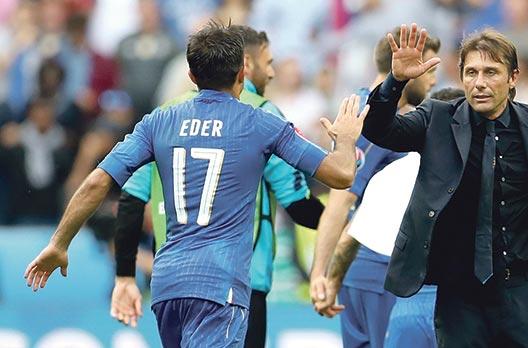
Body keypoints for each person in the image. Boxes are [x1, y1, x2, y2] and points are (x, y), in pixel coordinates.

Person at [24, 22, 367, 347]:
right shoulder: (261, 123)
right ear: (241, 74)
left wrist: (59, 242)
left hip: (168, 284)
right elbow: (340, 175)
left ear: (191, 75)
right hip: (220, 287)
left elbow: (98, 181)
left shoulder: (159, 121)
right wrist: (348, 141)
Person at [361, 24, 528, 347]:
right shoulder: (437, 118)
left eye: (491, 72)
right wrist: (394, 82)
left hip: (526, 289)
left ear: (513, 78)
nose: (479, 83)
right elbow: (379, 131)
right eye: (471, 72)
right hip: (460, 293)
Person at [109, 25, 325, 348]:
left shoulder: (165, 117)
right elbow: (298, 203)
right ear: (245, 66)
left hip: (172, 277)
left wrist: (124, 274)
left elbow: (131, 197)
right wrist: (344, 225)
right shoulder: (262, 117)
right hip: (237, 280)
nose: (273, 71)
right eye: (268, 61)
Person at [309, 26, 439, 348]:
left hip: (357, 271)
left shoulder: (357, 103)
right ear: (408, 66)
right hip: (381, 269)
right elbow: (341, 199)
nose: (434, 80)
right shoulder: (382, 120)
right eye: (430, 69)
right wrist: (321, 274)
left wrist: (326, 273)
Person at [316, 88, 463, 348]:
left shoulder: (391, 172)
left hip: (380, 292)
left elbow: (350, 237)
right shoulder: (475, 174)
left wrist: (331, 280)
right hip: (431, 296)